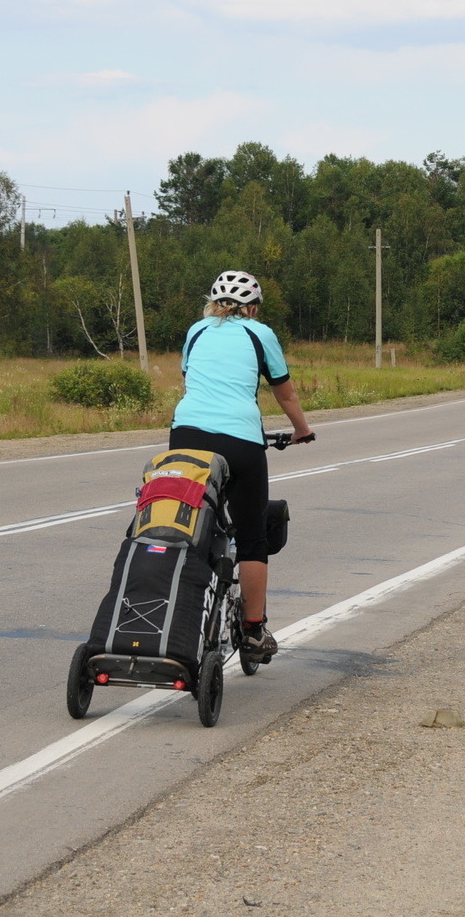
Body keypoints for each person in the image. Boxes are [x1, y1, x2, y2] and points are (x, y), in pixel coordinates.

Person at [170, 270, 313, 667]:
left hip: (185, 435)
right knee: (252, 539)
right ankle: (252, 631)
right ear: (251, 307)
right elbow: (284, 392)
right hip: (241, 442)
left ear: (213, 302)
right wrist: (302, 430)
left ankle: (177, 608)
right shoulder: (258, 332)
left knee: (184, 527)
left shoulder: (196, 331)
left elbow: (191, 383)